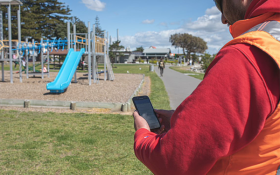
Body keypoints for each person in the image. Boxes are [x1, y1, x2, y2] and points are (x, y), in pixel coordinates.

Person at [133, 0, 280, 174]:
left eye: (220, 5)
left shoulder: (248, 55)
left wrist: (143, 134)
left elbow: (173, 161)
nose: (223, 19)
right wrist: (182, 121)